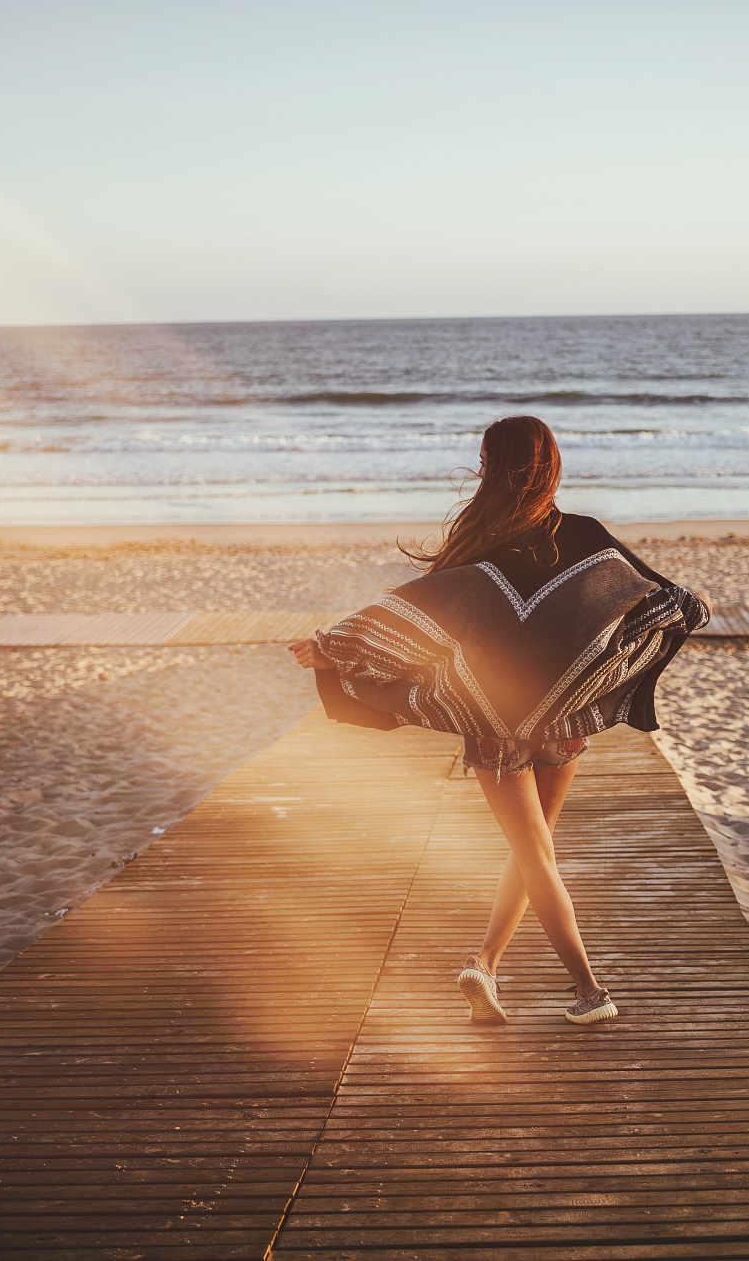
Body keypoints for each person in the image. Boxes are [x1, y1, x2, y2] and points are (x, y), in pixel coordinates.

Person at [289, 415, 709, 1026]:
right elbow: (673, 602)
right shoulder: (587, 536)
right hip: (563, 722)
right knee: (534, 849)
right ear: (552, 463)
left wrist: (333, 648)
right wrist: (609, 660)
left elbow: (415, 618)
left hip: (493, 726)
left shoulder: (476, 542)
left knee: (532, 852)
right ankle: (521, 974)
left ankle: (542, 981)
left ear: (490, 465)